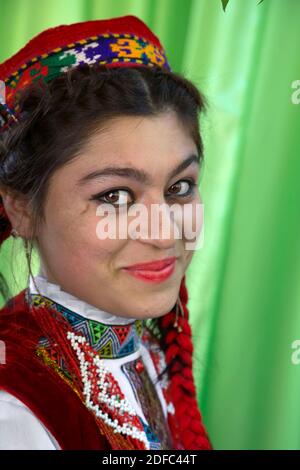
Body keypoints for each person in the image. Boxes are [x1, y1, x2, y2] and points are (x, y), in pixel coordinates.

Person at [0, 14, 212, 450]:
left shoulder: (149, 358)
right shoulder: (14, 407)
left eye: (180, 187)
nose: (163, 233)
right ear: (20, 208)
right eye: (115, 196)